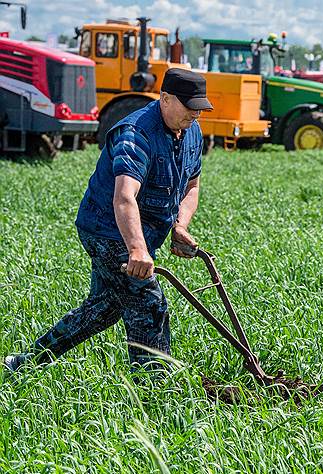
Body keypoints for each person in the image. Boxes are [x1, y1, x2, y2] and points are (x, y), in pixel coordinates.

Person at [4, 68, 213, 374]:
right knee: (148, 304)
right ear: (165, 98)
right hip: (106, 229)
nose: (195, 114)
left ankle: (24, 364)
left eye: (199, 108)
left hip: (141, 233)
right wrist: (138, 250)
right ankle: (155, 392)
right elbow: (124, 197)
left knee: (104, 310)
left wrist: (180, 224)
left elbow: (191, 185)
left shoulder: (191, 131)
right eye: (189, 106)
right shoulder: (136, 133)